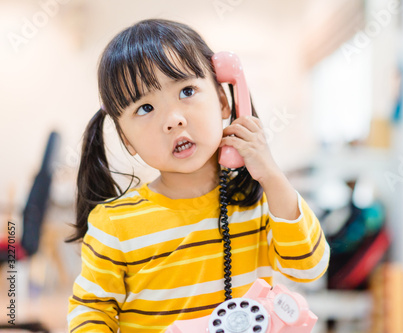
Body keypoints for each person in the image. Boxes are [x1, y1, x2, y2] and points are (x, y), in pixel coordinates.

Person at [67, 18, 330, 332]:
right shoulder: (114, 225)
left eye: (187, 91)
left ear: (223, 100)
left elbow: (309, 269)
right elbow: (91, 314)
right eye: (145, 108)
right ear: (127, 140)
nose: (174, 119)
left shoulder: (259, 200)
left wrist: (271, 176)